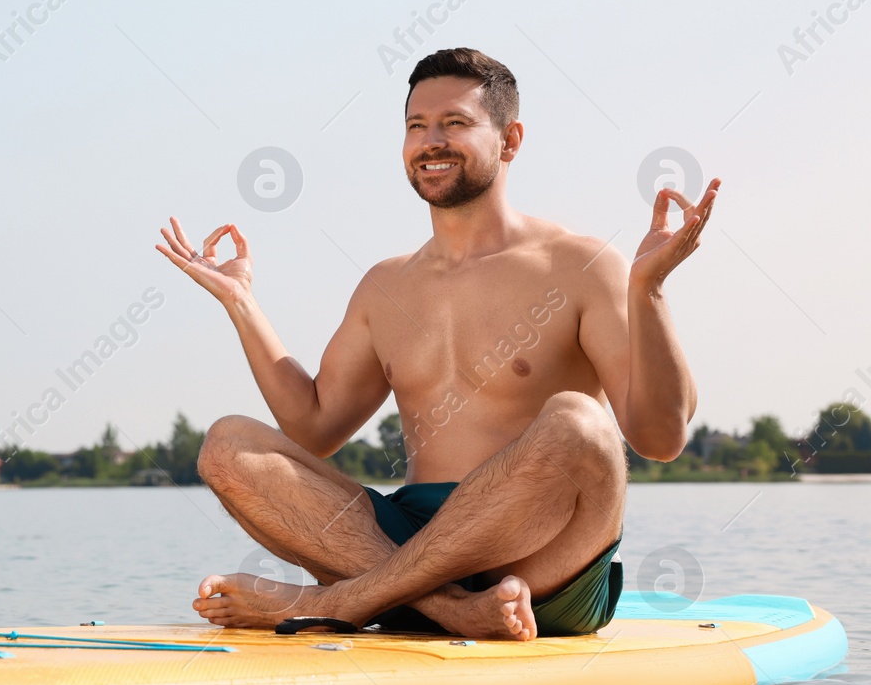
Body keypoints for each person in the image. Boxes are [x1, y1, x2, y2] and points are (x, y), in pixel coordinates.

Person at [155, 48, 716, 640]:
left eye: (455, 123)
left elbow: (661, 438)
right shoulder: (386, 285)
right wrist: (241, 303)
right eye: (416, 126)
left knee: (581, 423)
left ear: (510, 139)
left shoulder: (580, 265)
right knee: (226, 445)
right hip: (403, 544)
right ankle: (446, 609)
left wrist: (648, 290)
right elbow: (314, 428)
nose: (431, 141)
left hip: (546, 565)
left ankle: (344, 602)